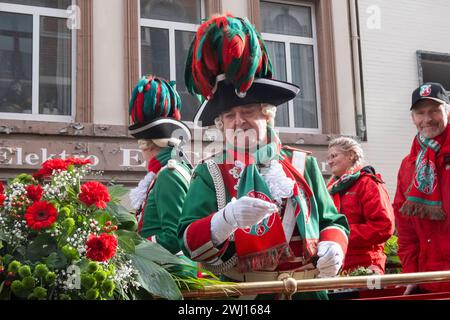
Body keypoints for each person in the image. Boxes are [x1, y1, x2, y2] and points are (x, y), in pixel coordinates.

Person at [177, 14, 349, 299]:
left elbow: (333, 221)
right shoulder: (211, 172)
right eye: (229, 116)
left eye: (248, 112)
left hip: (308, 292)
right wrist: (224, 220)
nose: (238, 121)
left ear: (267, 116)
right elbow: (187, 240)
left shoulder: (302, 164)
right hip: (248, 296)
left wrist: (334, 245)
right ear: (221, 125)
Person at [393, 82, 450, 294]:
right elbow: (405, 228)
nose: (427, 119)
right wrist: (411, 274)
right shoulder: (408, 164)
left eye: (435, 110)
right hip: (427, 280)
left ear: (447, 111)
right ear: (413, 118)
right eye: (420, 113)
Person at [128, 75, 192, 255]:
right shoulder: (165, 172)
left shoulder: (169, 174)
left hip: (169, 273)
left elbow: (173, 239)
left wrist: (132, 247)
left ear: (145, 144)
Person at [327, 137, 394, 275]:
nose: (329, 161)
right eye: (329, 157)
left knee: (364, 296)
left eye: (334, 156)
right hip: (337, 265)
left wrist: (341, 234)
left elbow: (384, 226)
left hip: (366, 264)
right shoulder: (331, 187)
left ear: (351, 155)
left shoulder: (367, 183)